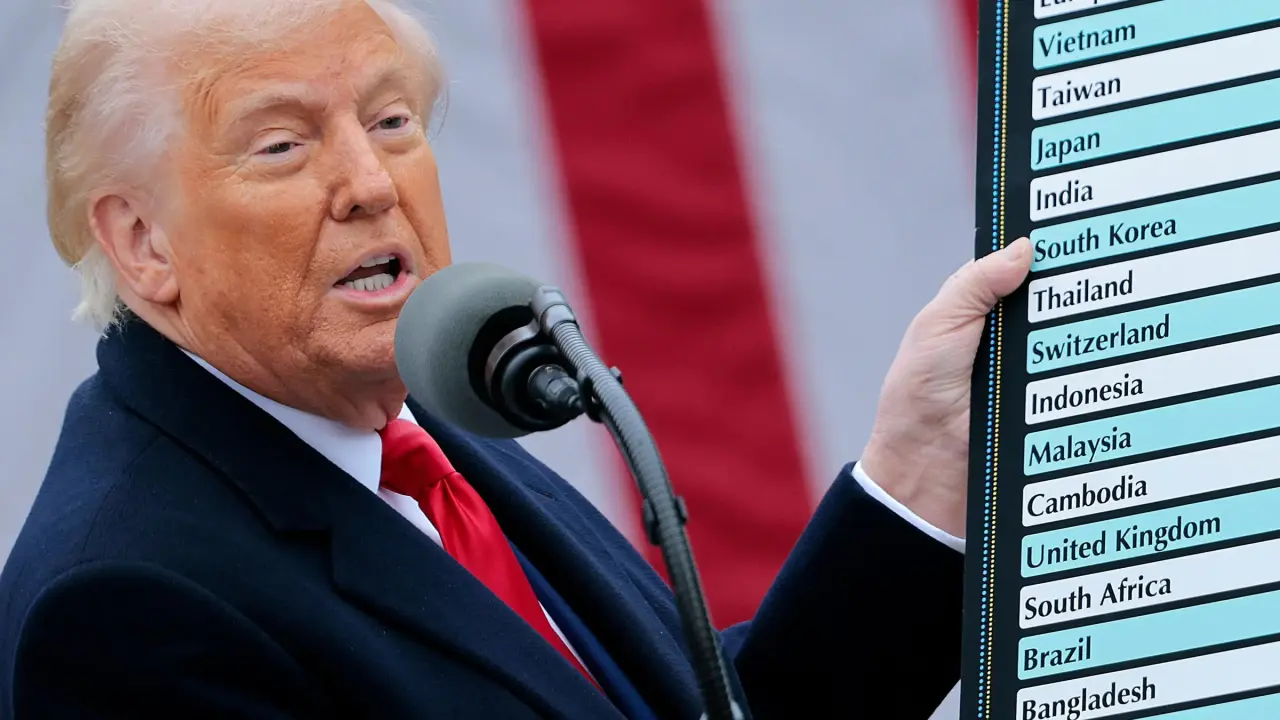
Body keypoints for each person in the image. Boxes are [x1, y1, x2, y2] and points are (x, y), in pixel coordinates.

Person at [0, 0, 1033, 717]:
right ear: (142, 242)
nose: (370, 182)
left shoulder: (412, 425)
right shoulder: (120, 613)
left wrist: (916, 474)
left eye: (390, 120)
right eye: (283, 145)